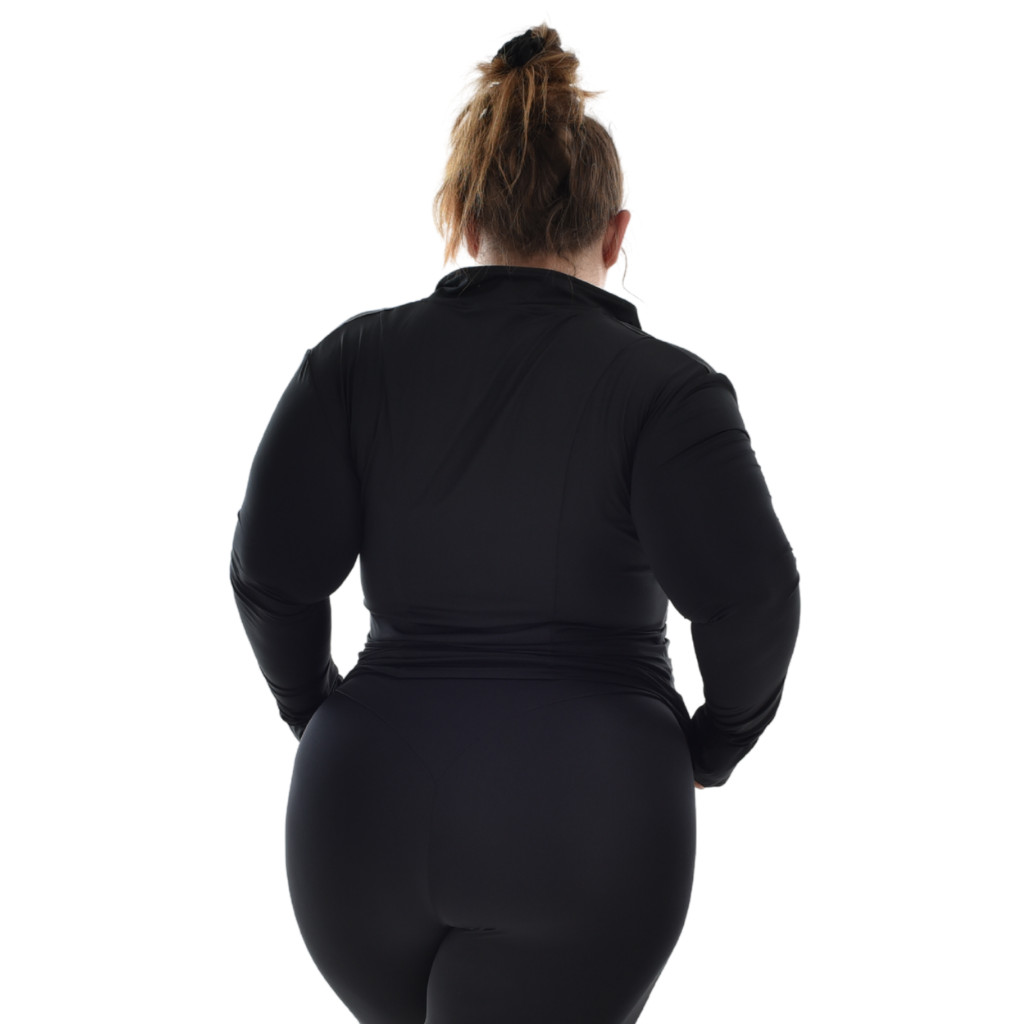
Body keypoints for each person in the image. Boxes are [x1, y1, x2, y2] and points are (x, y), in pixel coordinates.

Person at [229, 23, 801, 1024]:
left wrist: (314, 710)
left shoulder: (351, 364)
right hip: (582, 823)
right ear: (615, 235)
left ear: (462, 213)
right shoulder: (666, 392)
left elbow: (269, 574)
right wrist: (712, 745)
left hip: (354, 826)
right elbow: (751, 599)